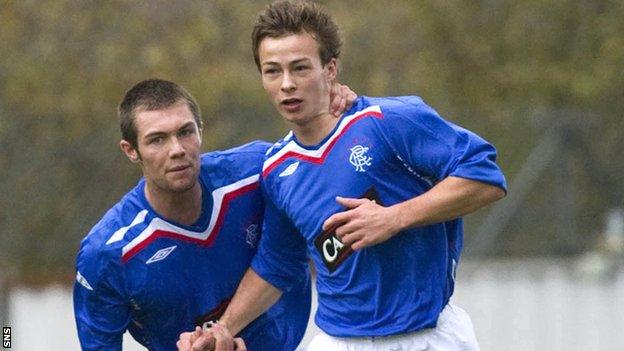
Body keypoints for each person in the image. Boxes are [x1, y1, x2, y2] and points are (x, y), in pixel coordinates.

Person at [179, 1, 507, 351]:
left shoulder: (388, 121)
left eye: (300, 68)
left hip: (425, 337)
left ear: (330, 68)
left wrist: (394, 217)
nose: (287, 84)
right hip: (339, 341)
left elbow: (485, 178)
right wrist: (224, 328)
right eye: (273, 71)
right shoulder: (277, 169)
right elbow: (277, 262)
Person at [73, 78, 354, 350]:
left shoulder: (260, 171)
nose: (177, 150)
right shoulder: (106, 254)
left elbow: (339, 178)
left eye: (185, 132)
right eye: (157, 140)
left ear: (200, 130)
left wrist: (344, 113)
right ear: (131, 151)